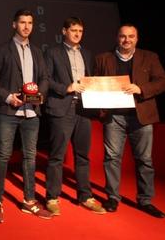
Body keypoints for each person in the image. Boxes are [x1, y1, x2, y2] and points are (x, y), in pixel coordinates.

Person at [0, 9, 51, 223]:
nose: (26, 26)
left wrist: (41, 94)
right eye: (22, 22)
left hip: (32, 113)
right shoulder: (3, 49)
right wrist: (7, 97)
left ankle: (29, 201)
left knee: (30, 157)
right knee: (3, 156)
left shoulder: (38, 52)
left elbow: (45, 78)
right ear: (14, 25)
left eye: (30, 23)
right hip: (8, 112)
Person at [95, 24, 165, 218]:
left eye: (131, 36)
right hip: (114, 116)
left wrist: (140, 89)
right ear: (117, 38)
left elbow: (161, 82)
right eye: (123, 36)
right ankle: (112, 197)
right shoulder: (103, 58)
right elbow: (96, 85)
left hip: (141, 116)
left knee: (145, 160)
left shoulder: (150, 57)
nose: (127, 40)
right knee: (112, 158)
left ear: (137, 38)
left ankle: (145, 200)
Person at [43, 17, 106, 216]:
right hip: (62, 108)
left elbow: (90, 79)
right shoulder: (52, 52)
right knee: (56, 156)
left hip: (83, 109)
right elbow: (46, 80)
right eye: (73, 30)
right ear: (64, 31)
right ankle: (52, 197)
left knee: (82, 156)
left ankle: (85, 196)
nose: (77, 34)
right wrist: (67, 88)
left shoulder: (87, 54)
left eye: (80, 30)